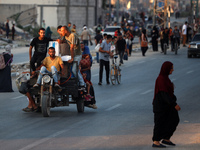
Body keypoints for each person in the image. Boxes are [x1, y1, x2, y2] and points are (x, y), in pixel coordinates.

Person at [152, 61, 181, 148]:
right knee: (159, 123)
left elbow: (169, 93)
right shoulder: (161, 79)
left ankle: (166, 138)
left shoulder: (165, 78)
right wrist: (174, 104)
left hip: (167, 105)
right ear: (166, 69)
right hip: (160, 106)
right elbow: (164, 95)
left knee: (174, 119)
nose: (173, 70)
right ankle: (156, 141)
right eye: (171, 68)